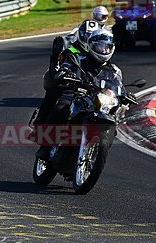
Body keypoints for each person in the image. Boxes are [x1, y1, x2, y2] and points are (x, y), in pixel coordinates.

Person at [36, 28, 122, 160]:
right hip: (76, 94)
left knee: (112, 128)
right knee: (61, 108)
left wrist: (127, 95)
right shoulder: (78, 58)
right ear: (91, 46)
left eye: (107, 47)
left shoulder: (115, 71)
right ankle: (46, 146)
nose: (104, 50)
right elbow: (65, 68)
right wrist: (66, 73)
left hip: (98, 101)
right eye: (100, 47)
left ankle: (95, 154)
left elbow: (119, 87)